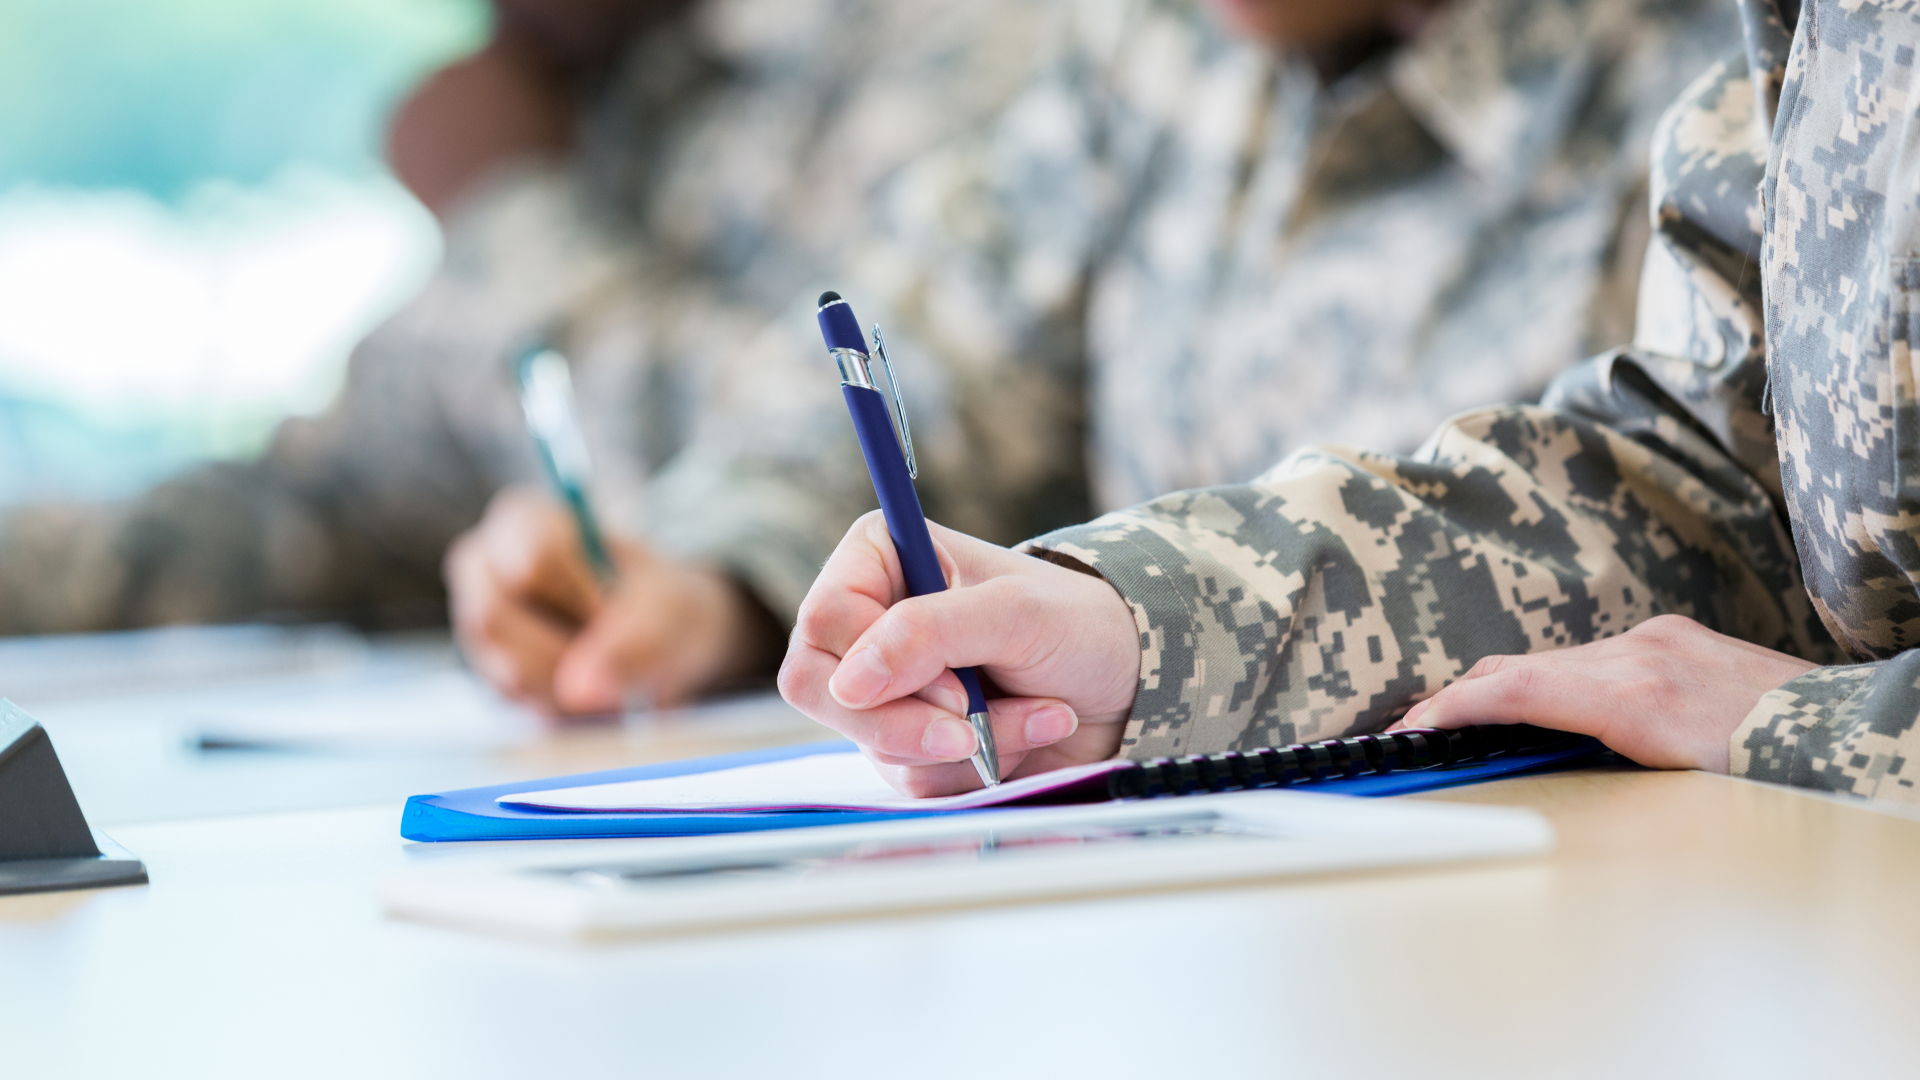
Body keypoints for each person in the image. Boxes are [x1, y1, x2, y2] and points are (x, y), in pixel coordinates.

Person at [452, 0, 1738, 717]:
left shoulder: (1722, 71)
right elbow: (923, 360)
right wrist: (716, 575)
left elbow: (1701, 543)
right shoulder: (1160, 54)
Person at [777, 0, 1920, 806]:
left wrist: (1815, 727)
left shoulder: (1645, 63)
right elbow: (1719, 488)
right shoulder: (1154, 54)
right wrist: (1147, 627)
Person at [0, 0, 1048, 683]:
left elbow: (852, 444)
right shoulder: (591, 80)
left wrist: (506, 208)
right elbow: (336, 500)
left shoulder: (964, 50)